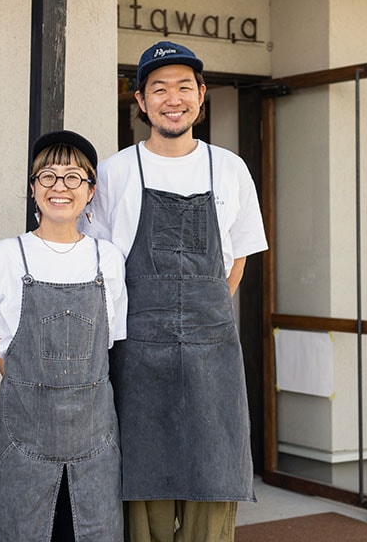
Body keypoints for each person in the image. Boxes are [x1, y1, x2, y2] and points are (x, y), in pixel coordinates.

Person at [84, 41, 268, 542]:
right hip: (138, 352)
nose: (173, 98)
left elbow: (239, 257)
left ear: (201, 95)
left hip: (214, 355)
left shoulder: (231, 169)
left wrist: (202, 313)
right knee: (146, 491)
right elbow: (97, 265)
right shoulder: (115, 172)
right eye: (158, 88)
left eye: (184, 87)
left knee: (213, 480)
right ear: (140, 101)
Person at [0, 130, 127, 541]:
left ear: (91, 190)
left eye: (74, 177)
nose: (60, 188)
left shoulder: (108, 259)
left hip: (95, 434)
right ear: (33, 188)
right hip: (23, 432)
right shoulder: (4, 257)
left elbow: (111, 344)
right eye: (48, 177)